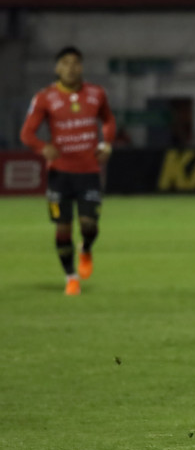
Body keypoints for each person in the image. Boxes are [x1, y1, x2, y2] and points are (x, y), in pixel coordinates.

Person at [20, 46, 116, 296]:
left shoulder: (96, 94)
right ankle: (71, 277)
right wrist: (43, 147)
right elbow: (27, 133)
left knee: (89, 225)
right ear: (57, 68)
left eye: (76, 63)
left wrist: (106, 144)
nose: (71, 67)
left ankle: (85, 248)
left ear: (81, 67)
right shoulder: (45, 97)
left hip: (89, 171)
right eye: (65, 62)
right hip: (60, 173)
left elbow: (108, 120)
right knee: (62, 228)